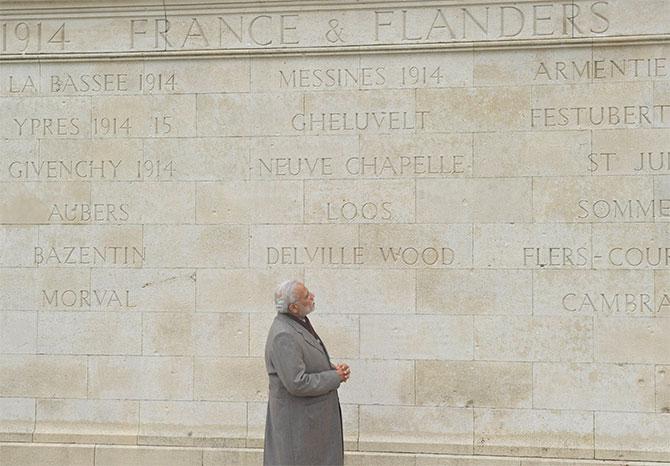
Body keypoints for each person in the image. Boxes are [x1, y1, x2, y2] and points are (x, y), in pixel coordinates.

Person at [263, 280, 351, 466]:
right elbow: (297, 382)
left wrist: (330, 368)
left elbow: (302, 361)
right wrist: (334, 377)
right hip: (300, 427)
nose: (312, 297)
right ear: (294, 307)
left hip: (310, 425)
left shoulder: (297, 323)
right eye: (306, 296)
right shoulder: (283, 335)